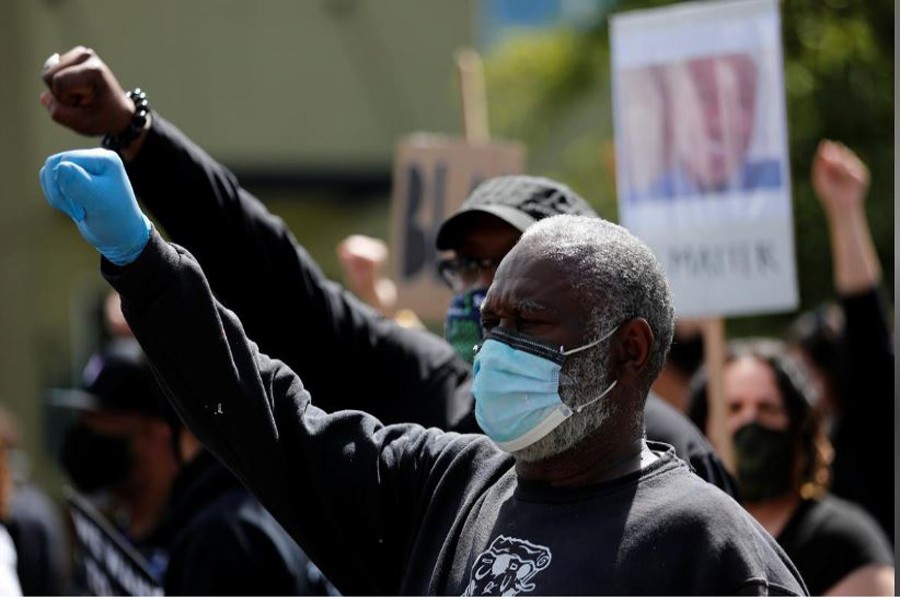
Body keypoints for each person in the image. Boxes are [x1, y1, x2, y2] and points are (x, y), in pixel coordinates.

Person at [38, 153, 807, 594]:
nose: (495, 347)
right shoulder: (445, 484)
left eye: (529, 323)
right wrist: (145, 265)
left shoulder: (707, 549)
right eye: (491, 321)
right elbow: (262, 415)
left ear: (628, 349)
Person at [39, 46, 736, 499]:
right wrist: (136, 135)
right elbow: (275, 277)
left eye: (507, 265)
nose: (484, 292)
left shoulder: (674, 462)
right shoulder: (432, 394)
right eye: (465, 267)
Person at [54, 338, 332, 595]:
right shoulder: (113, 533)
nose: (85, 439)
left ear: (157, 432)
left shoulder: (223, 538)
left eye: (100, 424)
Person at [688, 338, 894, 596]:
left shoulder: (844, 544)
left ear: (799, 429)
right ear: (702, 428)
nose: (750, 421)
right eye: (733, 409)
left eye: (768, 409)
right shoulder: (688, 543)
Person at [785, 140, 893, 541]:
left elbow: (864, 318)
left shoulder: (870, 428)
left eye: (799, 372)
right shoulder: (786, 448)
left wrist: (844, 212)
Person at [621, 53, 782, 202]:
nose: (720, 120)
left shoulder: (779, 182)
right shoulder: (643, 204)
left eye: (738, 100)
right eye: (704, 97)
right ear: (673, 109)